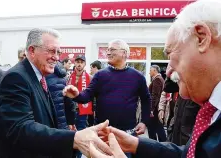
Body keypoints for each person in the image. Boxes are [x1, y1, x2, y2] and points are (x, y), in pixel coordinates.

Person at [89, 0, 221, 157]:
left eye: (170, 54)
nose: (169, 70)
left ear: (202, 38)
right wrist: (137, 145)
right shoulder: (212, 110)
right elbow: (189, 154)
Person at [0, 28, 111, 158]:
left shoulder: (38, 75)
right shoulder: (16, 77)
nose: (56, 58)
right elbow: (20, 128)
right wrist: (74, 138)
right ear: (32, 50)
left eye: (58, 52)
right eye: (51, 51)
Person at [63, 39, 151, 137]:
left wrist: (144, 121)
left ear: (124, 53)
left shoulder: (137, 77)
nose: (108, 53)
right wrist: (76, 95)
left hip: (127, 134)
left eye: (112, 50)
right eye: (107, 50)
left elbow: (146, 100)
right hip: (102, 132)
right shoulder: (100, 75)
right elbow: (87, 95)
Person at [46, 60, 76, 130]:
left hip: (47, 127)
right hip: (62, 125)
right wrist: (70, 122)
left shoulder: (41, 78)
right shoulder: (62, 78)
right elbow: (69, 103)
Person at [148, 65, 166, 141]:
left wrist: (151, 109)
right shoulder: (158, 79)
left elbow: (155, 95)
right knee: (157, 126)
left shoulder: (157, 79)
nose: (149, 72)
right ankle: (160, 142)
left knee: (154, 126)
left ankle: (155, 142)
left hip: (155, 108)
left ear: (155, 70)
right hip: (156, 107)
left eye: (150, 70)